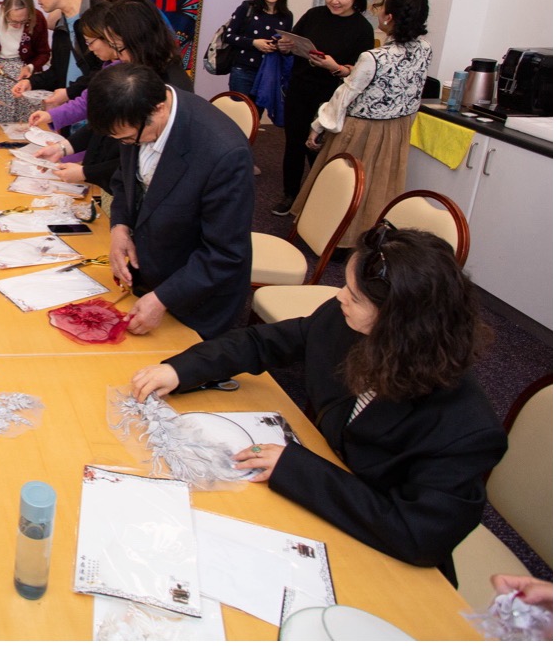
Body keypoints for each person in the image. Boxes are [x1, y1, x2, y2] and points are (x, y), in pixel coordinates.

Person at [130, 224, 508, 579]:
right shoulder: (347, 320)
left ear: (399, 323)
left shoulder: (466, 430)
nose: (339, 296)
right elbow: (264, 342)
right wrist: (181, 369)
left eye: (354, 295)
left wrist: (296, 469)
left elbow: (417, 535)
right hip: (329, 501)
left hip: (381, 556)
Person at [88, 64, 254, 338]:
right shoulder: (134, 116)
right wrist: (120, 227)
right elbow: (124, 180)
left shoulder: (224, 153)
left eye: (128, 139)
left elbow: (225, 253)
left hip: (194, 297)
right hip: (149, 274)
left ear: (159, 110)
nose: (126, 144)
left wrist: (163, 298)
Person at [296, 0, 433, 246]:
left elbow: (345, 95)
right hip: (397, 129)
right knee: (378, 185)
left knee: (346, 184)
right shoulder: (425, 49)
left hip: (363, 129)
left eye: (381, 7)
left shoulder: (373, 57)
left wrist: (318, 125)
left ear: (389, 17)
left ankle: (333, 237)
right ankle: (367, 235)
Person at [32, 0, 190, 192]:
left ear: (139, 40)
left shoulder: (169, 88)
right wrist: (62, 148)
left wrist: (87, 172)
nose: (117, 56)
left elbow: (142, 161)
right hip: (114, 183)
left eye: (119, 48)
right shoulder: (137, 69)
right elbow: (107, 123)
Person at [272, 0, 374, 216]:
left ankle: (319, 200)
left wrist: (335, 67)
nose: (334, 1)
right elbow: (292, 42)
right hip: (300, 88)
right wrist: (285, 46)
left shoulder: (362, 28)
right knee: (294, 143)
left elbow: (359, 72)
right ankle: (290, 194)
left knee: (319, 147)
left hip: (331, 96)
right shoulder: (314, 15)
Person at [11, 0, 100, 107]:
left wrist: (69, 92)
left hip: (96, 112)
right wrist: (31, 82)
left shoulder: (99, 16)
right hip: (70, 113)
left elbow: (105, 71)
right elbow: (57, 72)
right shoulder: (61, 26)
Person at [223, 0, 293, 107]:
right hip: (243, 72)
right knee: (239, 113)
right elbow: (228, 36)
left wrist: (284, 48)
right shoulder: (247, 7)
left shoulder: (287, 16)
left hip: (267, 74)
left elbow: (285, 46)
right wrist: (254, 43)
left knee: (256, 115)